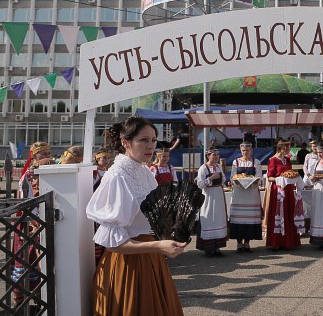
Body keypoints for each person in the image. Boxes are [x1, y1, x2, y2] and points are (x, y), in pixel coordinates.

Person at [86, 116, 186, 315]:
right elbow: (113, 244)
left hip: (151, 259)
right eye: (143, 140)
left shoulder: (145, 172)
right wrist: (158, 245)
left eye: (153, 140)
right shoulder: (116, 177)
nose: (150, 146)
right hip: (128, 266)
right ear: (126, 142)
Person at [12, 141, 54, 309]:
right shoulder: (27, 176)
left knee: (42, 263)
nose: (46, 157)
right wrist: (34, 222)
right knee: (25, 261)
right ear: (34, 156)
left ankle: (40, 299)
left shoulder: (48, 171)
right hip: (29, 223)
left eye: (48, 153)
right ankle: (20, 301)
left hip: (43, 221)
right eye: (42, 154)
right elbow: (27, 203)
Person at [265, 140, 304, 250]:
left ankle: (289, 241)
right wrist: (279, 179)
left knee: (288, 213)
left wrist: (294, 179)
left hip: (288, 190)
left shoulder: (287, 160)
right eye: (288, 148)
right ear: (282, 148)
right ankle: (276, 242)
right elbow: (269, 177)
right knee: (278, 214)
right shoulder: (273, 160)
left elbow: (290, 173)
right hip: (278, 190)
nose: (289, 150)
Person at [229, 142, 263, 253]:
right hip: (239, 194)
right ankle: (239, 243)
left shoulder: (256, 162)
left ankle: (247, 242)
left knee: (250, 218)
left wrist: (253, 181)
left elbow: (259, 177)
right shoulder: (236, 162)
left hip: (251, 195)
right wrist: (237, 181)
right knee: (239, 218)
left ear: (251, 150)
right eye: (243, 151)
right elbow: (232, 177)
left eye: (247, 150)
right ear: (240, 150)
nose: (245, 153)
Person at [195, 148, 228, 256]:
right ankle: (208, 248)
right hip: (208, 196)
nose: (216, 157)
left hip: (218, 194)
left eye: (217, 155)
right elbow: (200, 184)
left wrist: (222, 180)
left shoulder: (218, 166)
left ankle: (217, 246)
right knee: (209, 218)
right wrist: (212, 178)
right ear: (208, 156)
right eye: (214, 155)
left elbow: (223, 179)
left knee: (218, 218)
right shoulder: (203, 168)